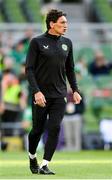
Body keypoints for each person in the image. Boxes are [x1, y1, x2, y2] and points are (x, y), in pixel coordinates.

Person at [25, 9, 82, 175]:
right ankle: (32, 156)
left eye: (66, 22)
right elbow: (29, 70)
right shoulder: (36, 42)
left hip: (59, 95)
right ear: (52, 24)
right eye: (62, 22)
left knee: (55, 127)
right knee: (37, 130)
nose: (66, 26)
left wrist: (75, 90)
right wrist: (36, 92)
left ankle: (44, 164)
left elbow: (70, 69)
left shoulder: (68, 43)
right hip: (41, 95)